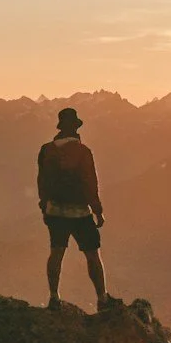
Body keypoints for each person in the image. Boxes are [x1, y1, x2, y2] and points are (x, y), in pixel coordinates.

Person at [37, 106, 109, 310]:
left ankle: (53, 297)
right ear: (75, 128)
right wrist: (98, 211)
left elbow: (42, 181)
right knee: (93, 255)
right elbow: (90, 183)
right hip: (80, 212)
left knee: (56, 252)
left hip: (55, 211)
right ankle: (102, 298)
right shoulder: (83, 152)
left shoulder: (47, 150)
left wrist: (44, 206)